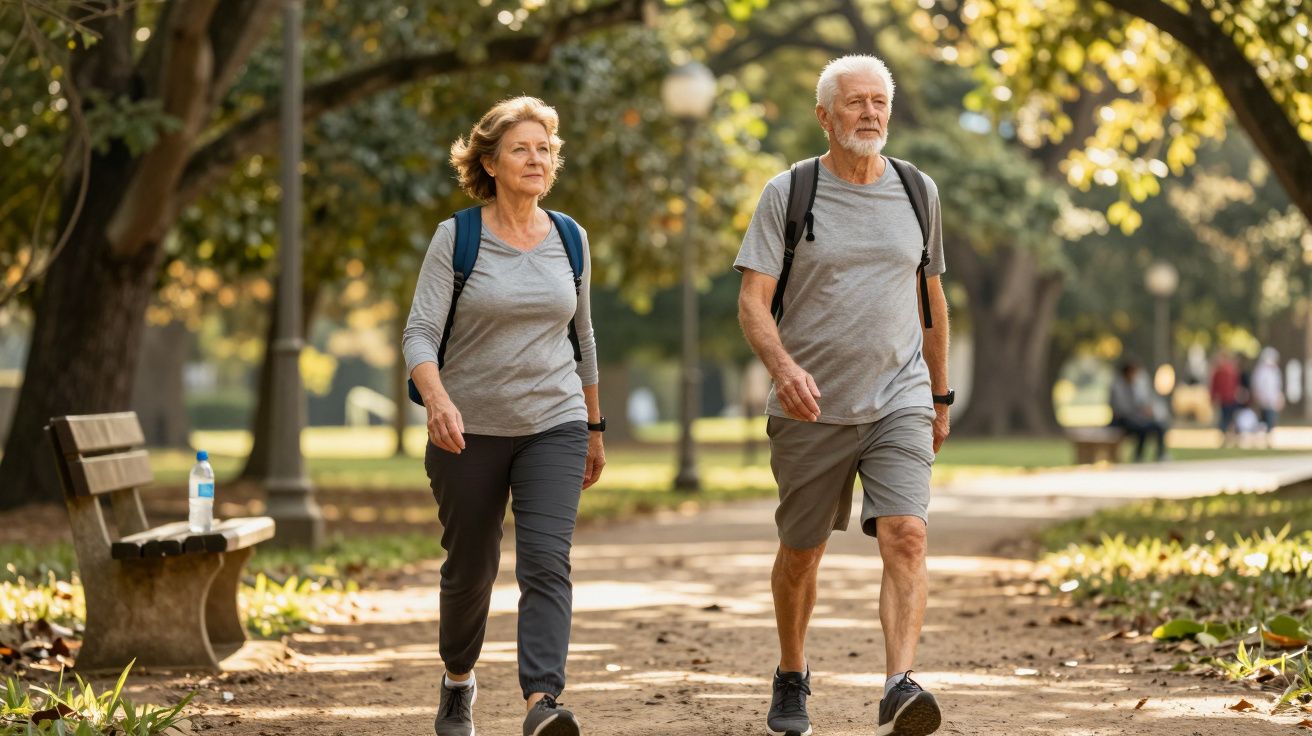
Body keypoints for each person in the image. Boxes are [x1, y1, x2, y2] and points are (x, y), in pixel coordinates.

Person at [735, 55, 951, 736]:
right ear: (824, 116)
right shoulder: (789, 191)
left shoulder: (917, 190)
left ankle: (899, 684)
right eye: (855, 102)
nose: (870, 113)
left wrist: (939, 394)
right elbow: (752, 300)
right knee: (802, 552)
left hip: (899, 397)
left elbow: (931, 298)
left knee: (907, 535)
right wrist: (783, 369)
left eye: (879, 101)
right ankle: (792, 671)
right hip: (811, 405)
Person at [402, 96, 606, 736]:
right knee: (471, 570)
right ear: (489, 163)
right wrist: (438, 399)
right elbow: (418, 332)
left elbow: (583, 338)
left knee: (546, 561)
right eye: (521, 149)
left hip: (555, 422)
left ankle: (542, 702)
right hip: (469, 430)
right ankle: (458, 679)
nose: (536, 159)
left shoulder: (570, 238)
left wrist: (594, 427)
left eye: (545, 149)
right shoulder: (457, 236)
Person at [1109, 359, 1168, 462]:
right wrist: (1139, 412)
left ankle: (1160, 454)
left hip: (1138, 418)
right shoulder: (1117, 386)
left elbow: (1144, 401)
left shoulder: (1138, 384)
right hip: (1122, 420)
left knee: (1158, 426)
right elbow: (1121, 409)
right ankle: (1138, 455)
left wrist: (1148, 410)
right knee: (1140, 427)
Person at [1250, 346, 1284, 443]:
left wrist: (1279, 397)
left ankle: (1269, 436)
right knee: (1263, 420)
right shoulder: (1261, 371)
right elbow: (1257, 385)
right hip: (1264, 400)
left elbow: (1277, 386)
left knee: (1271, 419)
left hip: (1272, 400)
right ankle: (1262, 437)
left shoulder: (1275, 371)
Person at [1209, 349, 1241, 446]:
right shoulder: (1229, 370)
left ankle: (1228, 436)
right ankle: (1227, 436)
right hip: (1227, 398)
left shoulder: (1224, 370)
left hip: (1228, 398)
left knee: (1227, 418)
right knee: (1227, 418)